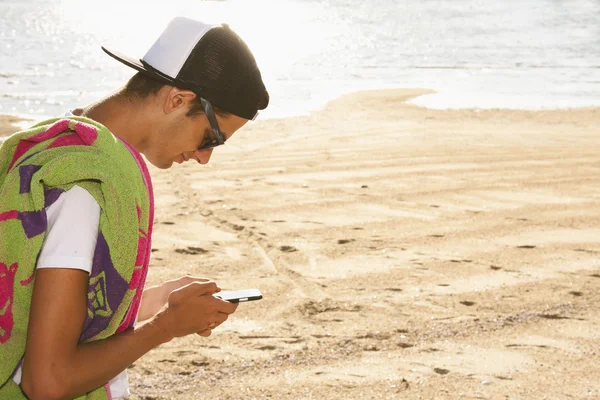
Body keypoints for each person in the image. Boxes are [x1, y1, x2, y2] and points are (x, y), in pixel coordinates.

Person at [0, 16, 269, 399]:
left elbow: (41, 310)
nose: (204, 157)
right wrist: (165, 326)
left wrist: (159, 300)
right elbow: (48, 381)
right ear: (177, 99)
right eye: (211, 137)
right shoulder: (87, 187)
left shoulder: (58, 150)